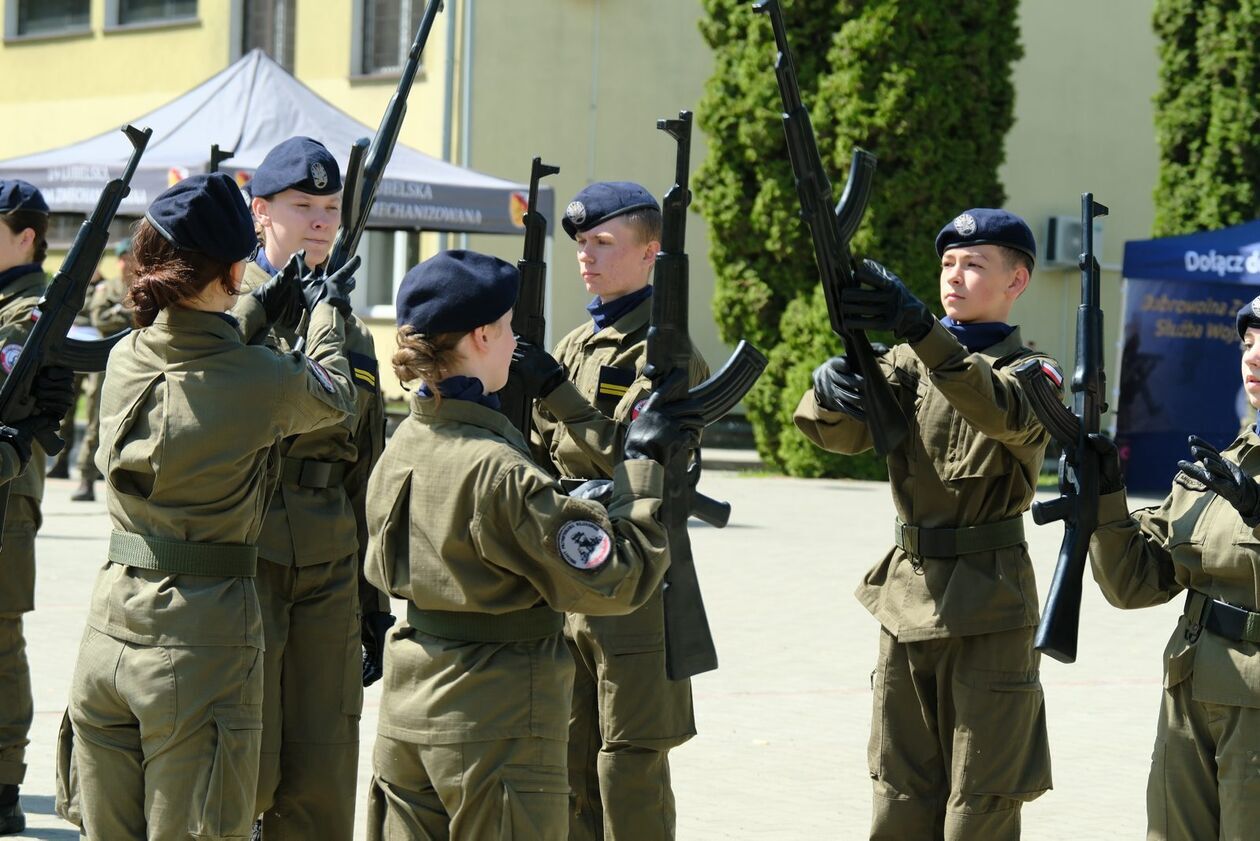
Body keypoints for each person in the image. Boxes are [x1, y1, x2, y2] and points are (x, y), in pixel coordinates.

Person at [63, 172, 359, 840]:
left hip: (110, 627)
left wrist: (252, 311)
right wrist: (327, 312)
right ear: (234, 267)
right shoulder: (261, 381)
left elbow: (195, 353)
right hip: (198, 642)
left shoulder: (127, 356)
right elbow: (336, 395)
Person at [363, 249, 696, 839]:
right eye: (510, 326)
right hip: (495, 722)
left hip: (408, 712)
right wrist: (643, 473)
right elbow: (619, 577)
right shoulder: (501, 471)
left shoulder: (403, 443)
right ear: (484, 335)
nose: (517, 338)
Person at [794, 209, 1062, 840]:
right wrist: (832, 384)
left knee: (981, 796)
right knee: (899, 789)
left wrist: (918, 326)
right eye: (947, 264)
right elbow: (841, 436)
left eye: (975, 264)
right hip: (907, 594)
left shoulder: (1034, 372)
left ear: (1017, 281)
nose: (956, 277)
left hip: (990, 603)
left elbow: (999, 411)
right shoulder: (907, 364)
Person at [512, 182, 707, 840]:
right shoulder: (568, 346)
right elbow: (537, 455)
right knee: (567, 760)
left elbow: (633, 463)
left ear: (651, 253)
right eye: (580, 244)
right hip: (562, 577)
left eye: (602, 243)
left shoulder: (666, 356)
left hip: (633, 578)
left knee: (628, 764)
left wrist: (556, 391)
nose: (585, 256)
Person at [234, 135, 389, 840]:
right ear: (260, 211)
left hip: (327, 564)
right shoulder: (226, 310)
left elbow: (368, 464)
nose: (321, 221)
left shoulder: (349, 325)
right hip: (245, 557)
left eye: (331, 207)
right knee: (243, 757)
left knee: (323, 767)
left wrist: (372, 596)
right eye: (304, 206)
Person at [1085, 296, 1260, 839]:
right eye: (1248, 342)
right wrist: (1104, 496)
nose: (1252, 357)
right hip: (1191, 685)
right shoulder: (1223, 464)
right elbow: (1136, 582)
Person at [0, 178, 59, 835]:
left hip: (7, 497)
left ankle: (3, 782)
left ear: (24, 237)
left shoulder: (32, 310)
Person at [72, 238, 137, 503]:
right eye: (124, 258)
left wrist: (122, 312)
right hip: (105, 361)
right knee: (95, 421)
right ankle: (86, 478)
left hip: (135, 360)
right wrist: (129, 312)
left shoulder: (144, 286)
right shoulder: (108, 288)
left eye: (132, 257)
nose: (128, 263)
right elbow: (100, 319)